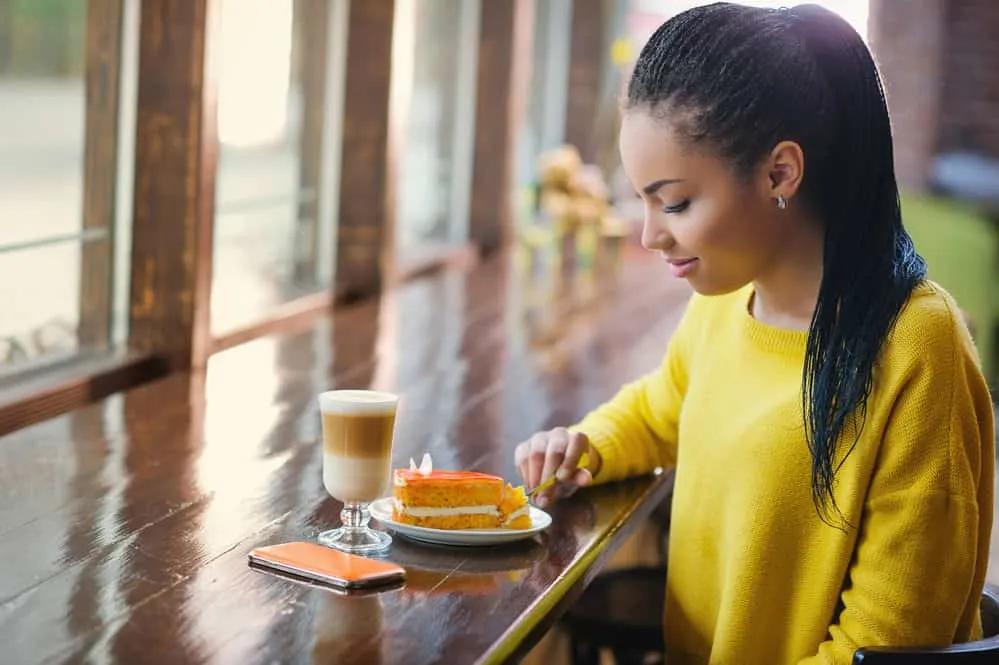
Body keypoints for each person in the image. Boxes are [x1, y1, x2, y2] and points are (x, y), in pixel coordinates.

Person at [514, 3, 995, 664]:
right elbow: (661, 407)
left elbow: (889, 642)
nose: (651, 234)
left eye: (675, 202)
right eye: (643, 200)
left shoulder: (916, 346)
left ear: (778, 173)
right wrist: (582, 446)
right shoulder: (724, 300)